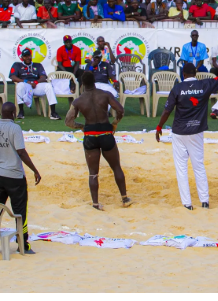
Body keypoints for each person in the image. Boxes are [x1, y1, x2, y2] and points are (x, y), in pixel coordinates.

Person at [156, 60, 218, 210]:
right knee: (199, 166)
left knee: (181, 168)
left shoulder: (177, 88)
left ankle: (187, 203)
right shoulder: (204, 84)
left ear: (183, 75)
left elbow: (167, 110)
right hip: (196, 131)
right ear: (195, 74)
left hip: (179, 132)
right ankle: (205, 201)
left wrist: (159, 126)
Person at [64, 71, 132, 210]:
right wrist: (115, 123)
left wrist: (81, 126)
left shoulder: (79, 100)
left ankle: (95, 203)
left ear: (82, 84)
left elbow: (68, 121)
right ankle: (124, 198)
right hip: (106, 133)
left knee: (93, 173)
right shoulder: (105, 94)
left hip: (90, 136)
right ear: (94, 81)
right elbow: (120, 110)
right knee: (116, 167)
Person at [0, 102, 41, 255]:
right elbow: (21, 152)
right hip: (14, 176)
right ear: (13, 113)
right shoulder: (15, 128)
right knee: (20, 211)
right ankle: (23, 244)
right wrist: (35, 170)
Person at [10, 48, 59, 120]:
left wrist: (36, 82)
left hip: (36, 86)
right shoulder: (17, 65)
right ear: (22, 57)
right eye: (25, 56)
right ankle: (21, 111)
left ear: (31, 56)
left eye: (28, 56)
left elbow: (44, 77)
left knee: (48, 86)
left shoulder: (38, 65)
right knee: (19, 85)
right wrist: (26, 81)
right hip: (25, 85)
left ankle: (53, 112)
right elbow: (13, 77)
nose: (27, 58)